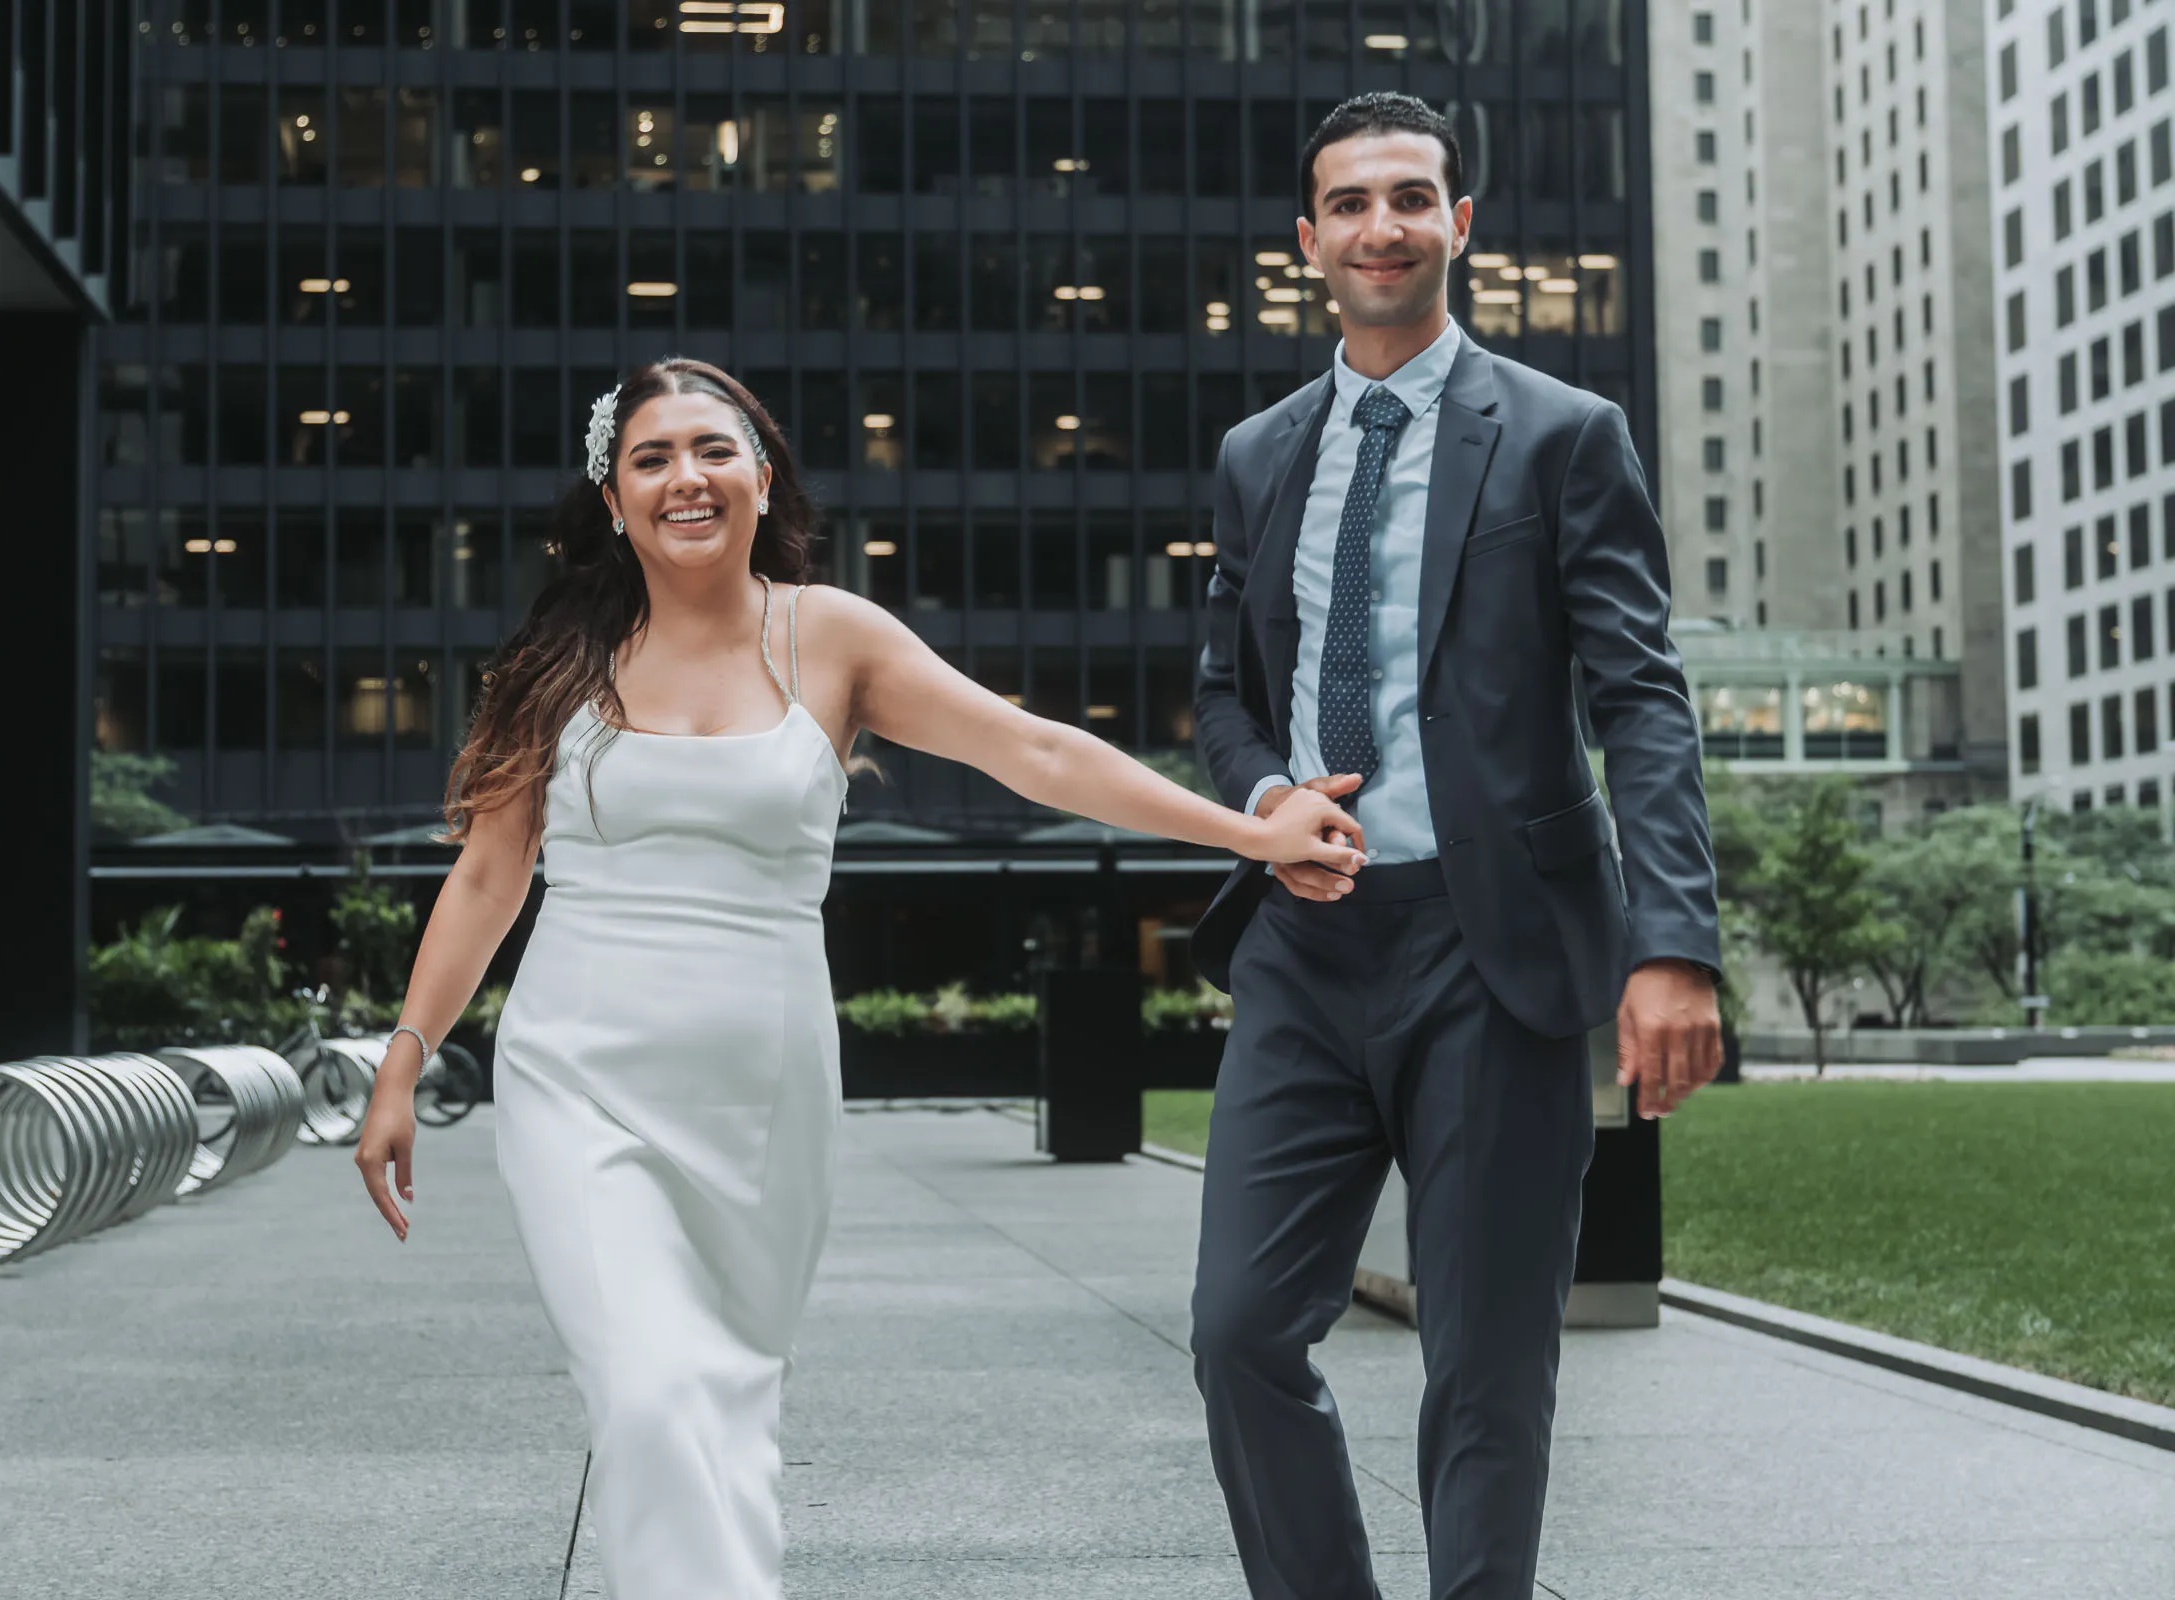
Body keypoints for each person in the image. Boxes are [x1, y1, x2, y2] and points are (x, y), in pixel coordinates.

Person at [351, 356, 1367, 1599]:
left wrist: (1252, 831)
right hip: (579, 1077)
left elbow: (1034, 751)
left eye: (713, 450)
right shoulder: (560, 660)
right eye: (652, 457)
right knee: (654, 1385)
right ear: (612, 500)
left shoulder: (830, 637)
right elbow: (488, 877)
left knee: (723, 1399)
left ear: (761, 476)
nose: (687, 478)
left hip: (763, 1097)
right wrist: (403, 1056)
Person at [1186, 94, 1724, 1600]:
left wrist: (1671, 945)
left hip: (1494, 951)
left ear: (1459, 224)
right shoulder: (1255, 455)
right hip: (1306, 941)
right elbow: (1226, 687)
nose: (1382, 227)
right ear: (1308, 243)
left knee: (1486, 1366)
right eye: (1349, 205)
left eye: (1411, 198)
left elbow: (1641, 697)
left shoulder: (1562, 437)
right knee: (1237, 1331)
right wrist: (1266, 796)